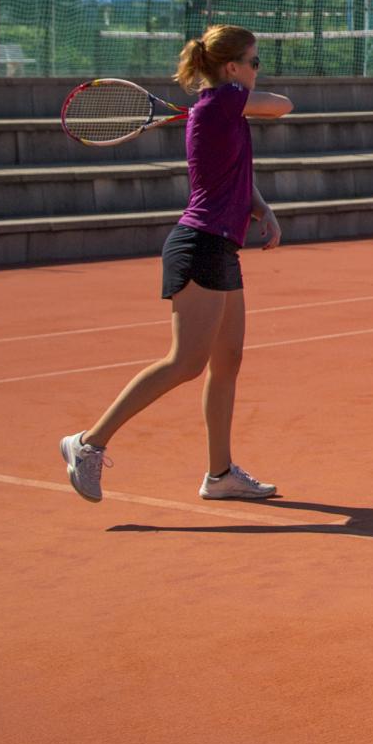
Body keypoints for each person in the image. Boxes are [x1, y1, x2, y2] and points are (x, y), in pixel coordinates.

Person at [60, 25, 291, 504]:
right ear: (231, 68)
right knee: (185, 362)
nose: (257, 69)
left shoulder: (220, 109)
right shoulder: (224, 101)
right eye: (253, 61)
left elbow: (230, 175)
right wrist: (239, 94)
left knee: (227, 361)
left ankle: (220, 473)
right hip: (200, 244)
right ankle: (87, 444)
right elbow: (283, 104)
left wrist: (260, 206)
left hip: (221, 244)